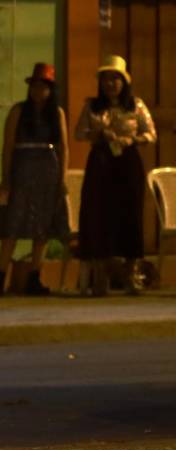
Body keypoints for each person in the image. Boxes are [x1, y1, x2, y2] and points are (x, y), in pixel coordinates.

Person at [75, 55, 156, 296]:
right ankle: (100, 278)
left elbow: (151, 134)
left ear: (124, 82)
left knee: (129, 215)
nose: (111, 84)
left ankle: (130, 275)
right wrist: (99, 135)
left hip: (128, 163)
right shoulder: (92, 106)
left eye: (115, 79)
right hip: (100, 163)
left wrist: (132, 139)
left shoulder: (136, 106)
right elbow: (79, 133)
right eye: (106, 79)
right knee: (99, 215)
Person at [0, 63, 70, 295]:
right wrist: (6, 177)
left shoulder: (57, 114)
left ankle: (35, 276)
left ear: (50, 89)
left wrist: (62, 178)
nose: (39, 91)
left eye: (43, 86)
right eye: (35, 86)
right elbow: (7, 147)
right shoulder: (18, 111)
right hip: (22, 169)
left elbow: (64, 148)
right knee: (13, 222)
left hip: (48, 169)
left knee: (42, 226)